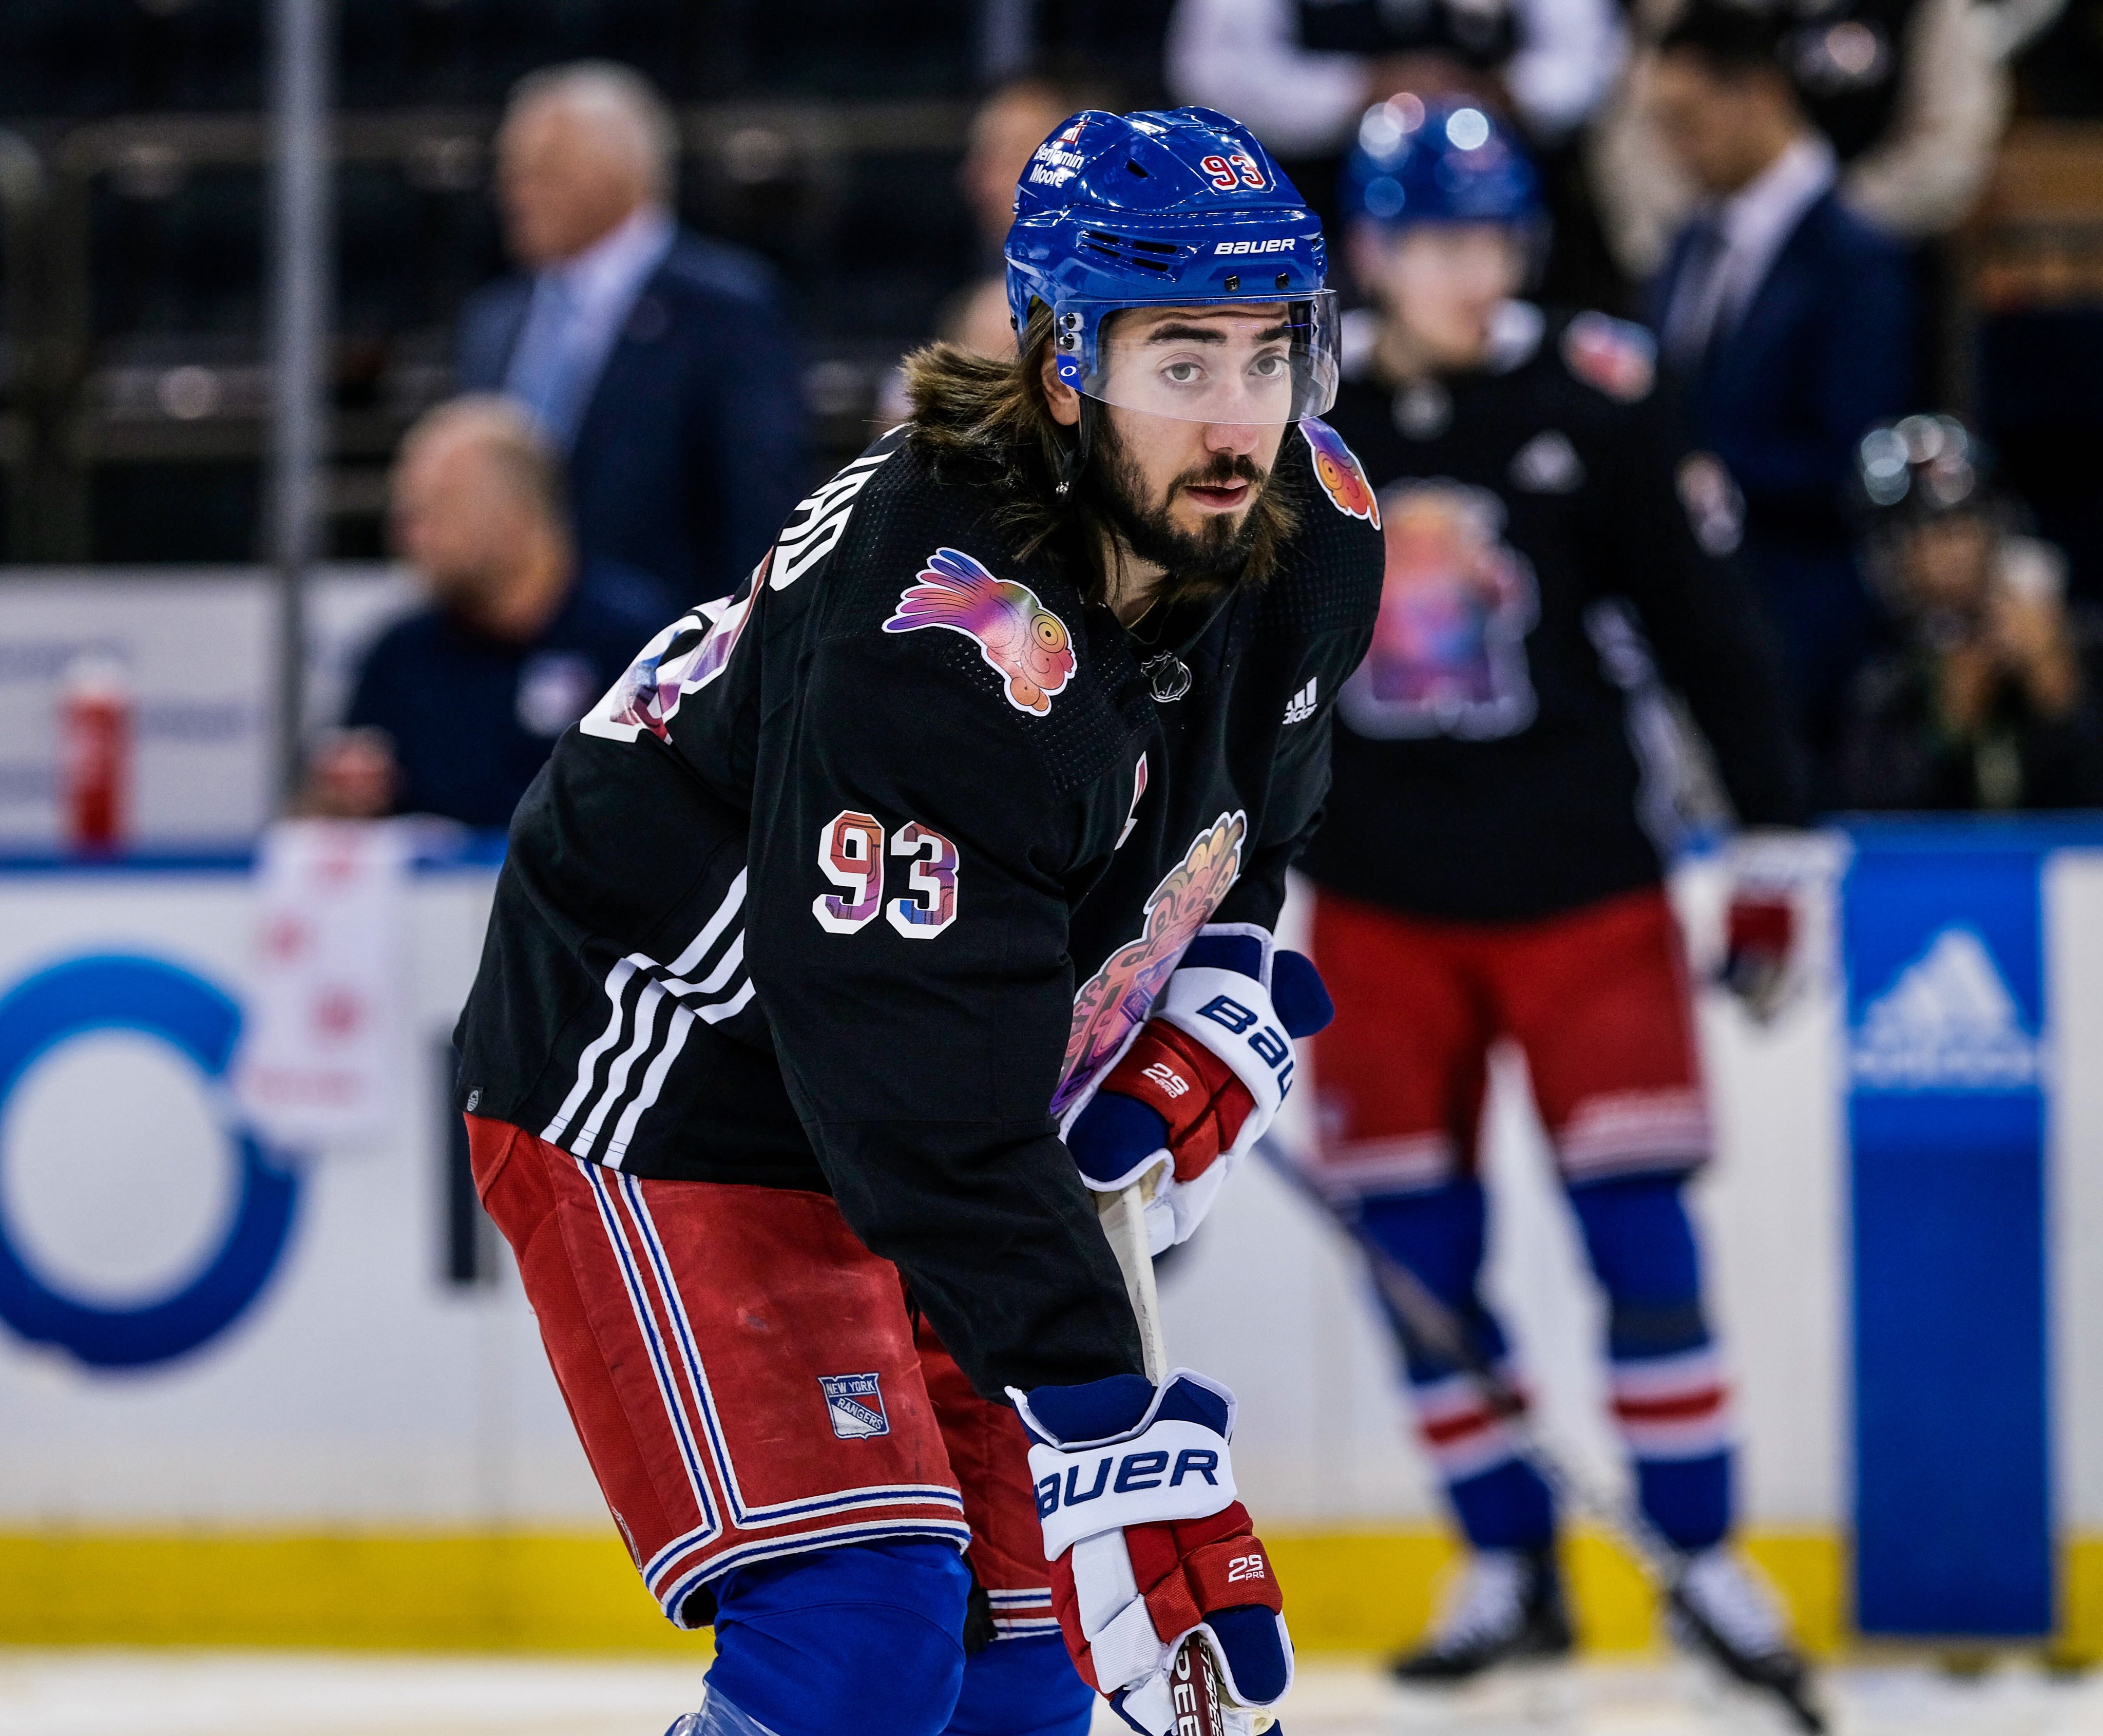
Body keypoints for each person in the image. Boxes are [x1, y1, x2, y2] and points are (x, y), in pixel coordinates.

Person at [450, 106, 1382, 1736]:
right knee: (864, 1642)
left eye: (1266, 353)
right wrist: (1110, 1421)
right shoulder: (940, 634)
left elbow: (1246, 815)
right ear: (1058, 363)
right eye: (1180, 359)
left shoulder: (1314, 529)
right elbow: (911, 1103)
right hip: (674, 1077)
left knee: (1024, 1672)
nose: (1237, 422)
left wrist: (1218, 970)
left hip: (930, 1080)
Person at [1299, 101, 1814, 1697]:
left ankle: (1702, 1557)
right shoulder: (1306, 413)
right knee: (1417, 1252)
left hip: (1587, 885)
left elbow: (1710, 626)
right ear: (1373, 252)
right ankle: (1506, 1558)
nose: (1468, 267)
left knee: (1640, 1231)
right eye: (1432, 237)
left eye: (1490, 233)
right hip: (1376, 898)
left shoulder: (1598, 394)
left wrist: (1775, 852)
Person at [1646, 0, 1916, 760]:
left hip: (1805, 627)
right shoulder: (1688, 245)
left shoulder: (1855, 261)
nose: (1674, 147)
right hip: (1690, 624)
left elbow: (1858, 460)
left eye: (1688, 119)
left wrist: (1705, 475)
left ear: (1760, 95)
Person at [456, 61, 808, 605]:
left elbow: (756, 508)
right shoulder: (493, 320)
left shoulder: (723, 309)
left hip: (666, 656)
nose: (513, 193)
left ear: (617, 173)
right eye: (508, 173)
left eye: (541, 172)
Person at [304, 396, 667, 830]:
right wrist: (340, 800)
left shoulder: (641, 647)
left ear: (514, 515)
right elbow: (314, 829)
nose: (405, 535)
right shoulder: (399, 656)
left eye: (432, 510)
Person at [1836, 413, 2103, 809]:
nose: (1955, 553)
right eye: (1931, 532)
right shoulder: (1879, 681)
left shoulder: (2079, 643)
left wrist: (2061, 697)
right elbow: (1866, 823)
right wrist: (1946, 731)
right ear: (1891, 554)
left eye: (1966, 525)